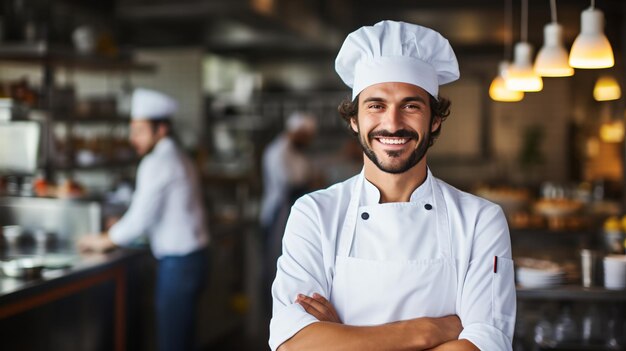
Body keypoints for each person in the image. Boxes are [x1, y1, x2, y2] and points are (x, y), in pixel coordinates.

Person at [269, 20, 516, 351]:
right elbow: (292, 344)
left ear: (435, 119)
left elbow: (487, 343)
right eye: (376, 105)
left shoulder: (480, 220)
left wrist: (341, 338)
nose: (393, 123)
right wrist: (429, 331)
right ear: (354, 119)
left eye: (411, 105)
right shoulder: (314, 213)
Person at [77, 88, 210, 351]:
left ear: (161, 130)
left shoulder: (157, 162)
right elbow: (154, 214)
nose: (132, 138)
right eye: (132, 130)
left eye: (139, 130)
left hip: (179, 264)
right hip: (193, 258)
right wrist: (123, 227)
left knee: (173, 343)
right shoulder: (177, 156)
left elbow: (139, 220)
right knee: (182, 338)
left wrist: (102, 241)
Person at [259, 111, 320, 314]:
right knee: (276, 265)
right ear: (297, 132)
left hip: (292, 211)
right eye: (307, 136)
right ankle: (275, 313)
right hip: (279, 213)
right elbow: (288, 187)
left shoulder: (296, 152)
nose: (309, 141)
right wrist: (312, 183)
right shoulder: (278, 152)